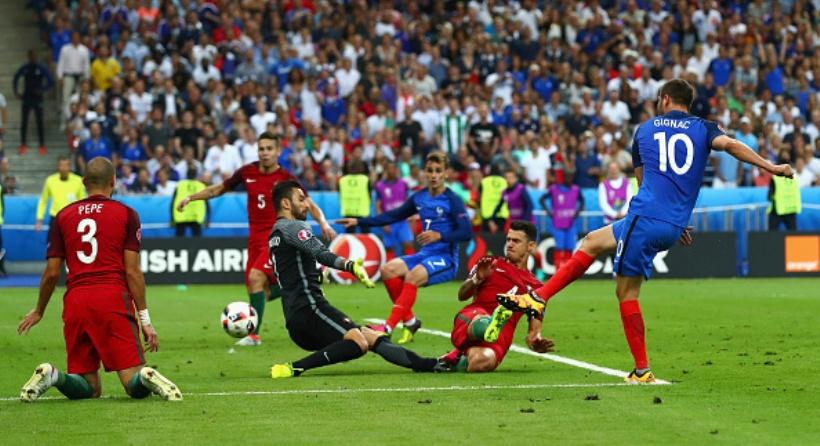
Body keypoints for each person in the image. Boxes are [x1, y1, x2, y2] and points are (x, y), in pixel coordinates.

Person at [499, 79, 793, 384]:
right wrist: (770, 166)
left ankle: (641, 369)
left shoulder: (645, 130)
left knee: (626, 292)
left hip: (645, 217)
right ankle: (541, 296)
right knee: (591, 241)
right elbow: (731, 145)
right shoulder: (705, 128)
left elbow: (643, 183)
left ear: (664, 99)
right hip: (671, 224)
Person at [17, 157, 181, 402]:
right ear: (113, 181)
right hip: (112, 298)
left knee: (90, 388)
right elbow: (132, 271)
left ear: (84, 182)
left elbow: (51, 272)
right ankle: (145, 376)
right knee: (132, 382)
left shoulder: (63, 216)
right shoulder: (127, 214)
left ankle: (53, 375)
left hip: (76, 301)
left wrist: (39, 310)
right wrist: (146, 321)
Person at [268, 181, 445, 378]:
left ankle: (429, 364)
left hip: (298, 316)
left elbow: (292, 270)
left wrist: (316, 273)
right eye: (301, 200)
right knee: (358, 343)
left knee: (372, 336)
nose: (306, 205)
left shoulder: (276, 233)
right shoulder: (293, 227)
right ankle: (294, 368)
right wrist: (350, 265)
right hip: (310, 310)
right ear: (286, 204)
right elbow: (320, 252)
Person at [177, 131, 336, 346]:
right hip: (254, 240)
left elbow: (307, 202)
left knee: (255, 277)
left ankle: (253, 336)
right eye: (261, 149)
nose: (264, 153)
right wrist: (191, 197)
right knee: (261, 291)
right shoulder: (247, 172)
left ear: (278, 151)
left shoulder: (286, 178)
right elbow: (219, 189)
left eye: (269, 149)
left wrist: (323, 223)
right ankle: (311, 277)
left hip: (276, 237)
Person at [337, 152, 472, 344]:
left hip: (446, 258)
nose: (434, 175)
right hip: (425, 254)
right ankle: (410, 321)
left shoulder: (452, 200)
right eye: (430, 170)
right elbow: (393, 215)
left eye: (438, 171)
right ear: (425, 172)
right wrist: (359, 221)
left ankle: (387, 327)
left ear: (446, 174)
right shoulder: (420, 197)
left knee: (412, 276)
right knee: (388, 270)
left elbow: (466, 232)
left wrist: (440, 236)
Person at [440, 221, 554, 372]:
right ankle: (489, 324)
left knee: (480, 362)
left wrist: (535, 341)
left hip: (500, 337)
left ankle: (456, 359)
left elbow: (533, 332)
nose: (510, 244)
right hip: (472, 319)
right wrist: (476, 280)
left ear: (530, 246)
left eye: (516, 241)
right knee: (482, 320)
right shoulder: (489, 264)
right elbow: (462, 295)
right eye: (508, 239)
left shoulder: (537, 288)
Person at [539, 171, 584, 270]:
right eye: (567, 177)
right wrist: (549, 212)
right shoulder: (554, 189)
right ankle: (558, 270)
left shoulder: (576, 189)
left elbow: (582, 201)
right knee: (559, 247)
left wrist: (577, 213)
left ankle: (567, 271)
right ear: (563, 178)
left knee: (569, 247)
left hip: (570, 224)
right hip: (558, 224)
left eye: (571, 177)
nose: (570, 179)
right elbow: (541, 199)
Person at [13, 49, 54, 155]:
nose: (32, 58)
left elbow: (51, 81)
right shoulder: (25, 67)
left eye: (34, 56)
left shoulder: (41, 68)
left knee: (39, 122)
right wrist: (16, 92)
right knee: (24, 122)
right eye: (31, 56)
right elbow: (16, 78)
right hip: (26, 98)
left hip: (37, 98)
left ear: (36, 56)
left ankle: (42, 145)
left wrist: (42, 90)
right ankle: (23, 144)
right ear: (28, 57)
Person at [36, 156, 86, 232]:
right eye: (61, 165)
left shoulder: (78, 180)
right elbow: (43, 200)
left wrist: (83, 218)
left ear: (69, 167)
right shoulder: (50, 181)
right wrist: (39, 219)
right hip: (55, 218)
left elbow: (83, 201)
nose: (64, 168)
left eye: (66, 165)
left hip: (72, 219)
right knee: (53, 240)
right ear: (58, 167)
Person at [375, 162, 414, 257]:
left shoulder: (403, 184)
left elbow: (408, 202)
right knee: (389, 247)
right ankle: (391, 266)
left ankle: (410, 264)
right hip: (389, 220)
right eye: (390, 168)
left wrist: (411, 217)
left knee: (408, 244)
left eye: (394, 168)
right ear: (386, 171)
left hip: (402, 220)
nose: (392, 171)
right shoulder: (380, 186)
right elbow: (378, 206)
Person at [489, 169, 534, 234]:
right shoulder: (504, 192)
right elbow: (498, 207)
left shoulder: (521, 189)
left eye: (511, 177)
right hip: (514, 224)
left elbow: (530, 205)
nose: (509, 180)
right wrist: (491, 220)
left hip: (526, 224)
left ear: (515, 178)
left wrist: (524, 222)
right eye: (507, 177)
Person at [171, 168, 207, 237]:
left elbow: (173, 202)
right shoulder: (201, 185)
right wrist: (208, 218)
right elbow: (206, 203)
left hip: (181, 215)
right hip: (196, 216)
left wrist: (172, 218)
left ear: (186, 174)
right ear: (196, 175)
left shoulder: (180, 184)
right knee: (197, 240)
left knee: (179, 240)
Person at [768, 163, 801, 231]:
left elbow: (769, 196)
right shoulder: (794, 178)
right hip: (791, 209)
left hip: (777, 210)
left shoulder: (775, 178)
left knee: (772, 235)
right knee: (792, 235)